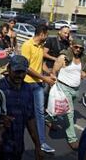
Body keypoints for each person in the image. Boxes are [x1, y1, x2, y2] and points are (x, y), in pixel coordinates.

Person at [52, 38, 86, 150]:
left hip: (75, 89)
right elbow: (54, 71)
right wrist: (53, 81)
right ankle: (72, 139)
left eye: (80, 48)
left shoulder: (82, 59)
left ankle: (48, 118)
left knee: (61, 109)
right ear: (72, 45)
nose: (78, 49)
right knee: (69, 113)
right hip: (63, 88)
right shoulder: (64, 57)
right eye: (76, 47)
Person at [0, 55, 43, 160]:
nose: (20, 75)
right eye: (17, 72)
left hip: (18, 147)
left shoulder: (28, 89)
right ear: (8, 69)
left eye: (23, 72)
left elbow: (30, 118)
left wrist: (37, 146)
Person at [21, 24, 56, 153]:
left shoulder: (41, 46)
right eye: (46, 34)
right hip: (27, 84)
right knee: (23, 112)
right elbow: (27, 67)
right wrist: (44, 78)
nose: (47, 37)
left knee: (40, 113)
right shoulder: (27, 45)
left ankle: (41, 142)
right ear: (41, 34)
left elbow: (40, 64)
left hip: (38, 84)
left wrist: (49, 73)